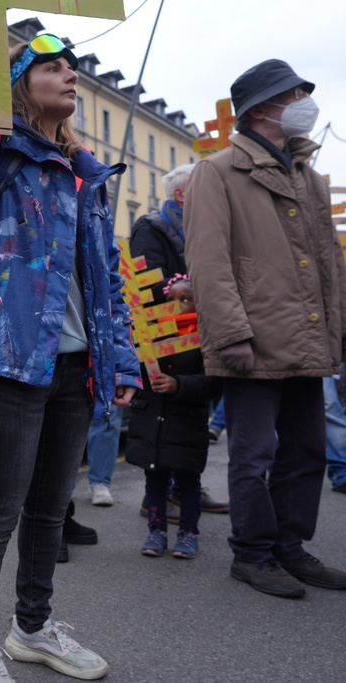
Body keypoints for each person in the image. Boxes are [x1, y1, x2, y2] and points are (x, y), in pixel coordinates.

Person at [0, 8, 140, 682]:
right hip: (7, 360)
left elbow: (105, 277)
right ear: (18, 85)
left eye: (72, 65)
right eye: (52, 65)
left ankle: (33, 626)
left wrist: (124, 356)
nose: (69, 74)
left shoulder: (89, 177)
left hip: (75, 366)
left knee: (49, 511)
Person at [185, 59, 346, 598]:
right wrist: (230, 334)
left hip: (308, 338)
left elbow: (331, 266)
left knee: (307, 454)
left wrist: (338, 332)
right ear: (262, 109)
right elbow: (209, 263)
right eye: (296, 93)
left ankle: (290, 548)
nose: (306, 100)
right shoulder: (217, 172)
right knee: (254, 456)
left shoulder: (310, 179)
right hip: (252, 342)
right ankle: (252, 553)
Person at [130, 163, 229, 516]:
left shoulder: (198, 230)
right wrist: (184, 288)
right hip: (165, 339)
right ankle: (157, 497)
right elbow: (146, 283)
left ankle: (187, 489)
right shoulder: (150, 228)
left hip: (195, 336)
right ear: (181, 194)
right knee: (163, 419)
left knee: (189, 418)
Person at [126, 275, 221, 559]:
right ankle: (157, 530)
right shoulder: (150, 334)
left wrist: (179, 385)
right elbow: (137, 371)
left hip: (186, 423)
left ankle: (188, 533)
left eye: (185, 300)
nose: (176, 306)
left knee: (188, 482)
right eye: (170, 301)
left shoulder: (205, 337)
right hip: (153, 422)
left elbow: (213, 383)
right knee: (154, 479)